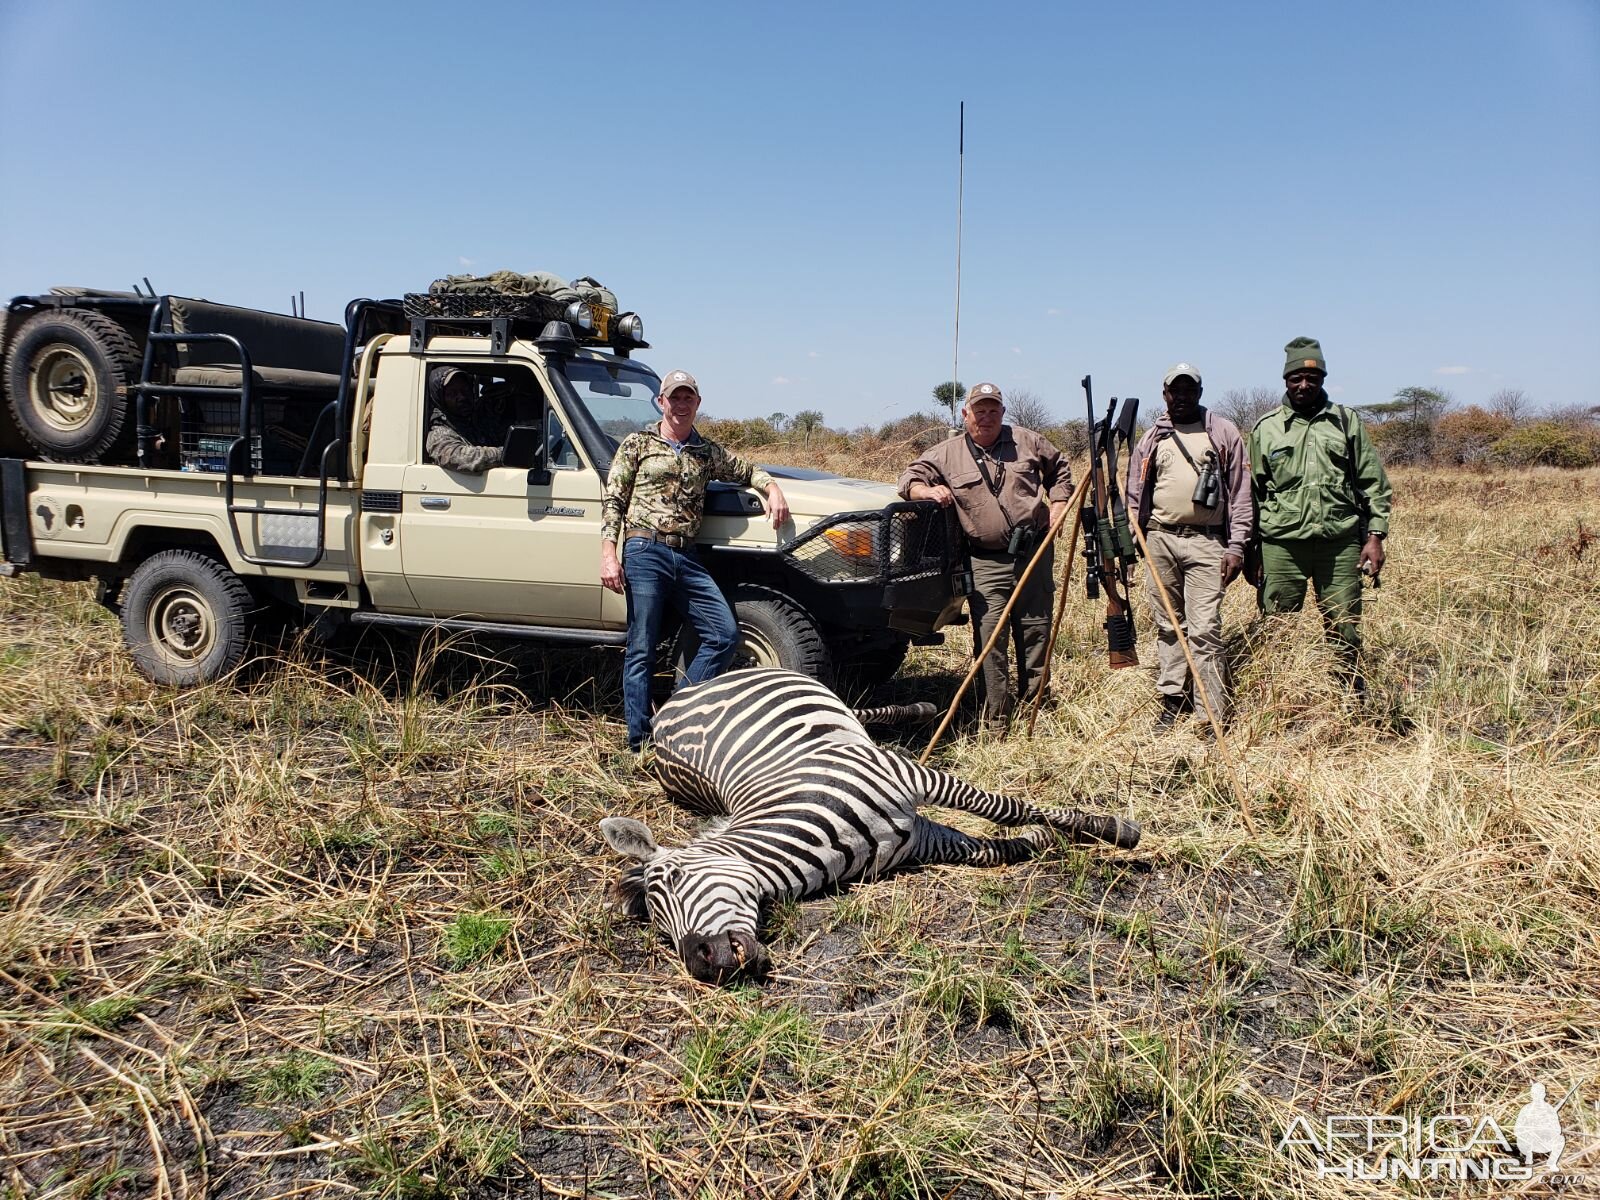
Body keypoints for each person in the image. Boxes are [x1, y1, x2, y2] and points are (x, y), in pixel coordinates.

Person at [600, 369, 790, 752]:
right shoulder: (637, 444)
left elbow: (747, 469)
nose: (680, 404)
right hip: (644, 550)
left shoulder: (707, 452)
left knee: (723, 634)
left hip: (685, 554)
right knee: (642, 646)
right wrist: (608, 554)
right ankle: (639, 742)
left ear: (698, 404)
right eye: (674, 397)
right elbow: (614, 501)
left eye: (688, 398)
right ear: (661, 401)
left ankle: (674, 716)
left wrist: (772, 489)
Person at [898, 382, 1071, 726]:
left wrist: (1060, 503)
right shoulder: (946, 452)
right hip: (984, 560)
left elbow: (1060, 469)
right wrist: (927, 491)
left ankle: (1039, 712)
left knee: (1036, 631)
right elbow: (908, 479)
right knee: (990, 638)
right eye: (979, 411)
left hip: (1033, 554)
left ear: (1003, 413)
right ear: (966, 415)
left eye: (993, 410)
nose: (986, 417)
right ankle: (996, 720)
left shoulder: (1029, 441)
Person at [1247, 338, 1392, 695]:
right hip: (1282, 546)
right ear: (1285, 380)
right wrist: (1252, 551)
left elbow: (1373, 481)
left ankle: (1349, 699)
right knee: (1277, 629)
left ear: (1323, 380)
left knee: (1345, 626)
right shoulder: (1266, 428)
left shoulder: (1345, 422)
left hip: (1339, 545)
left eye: (1312, 378)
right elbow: (1250, 494)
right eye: (1296, 378)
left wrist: (1374, 537)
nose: (1304, 385)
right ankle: (1276, 700)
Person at [1125, 363, 1252, 733]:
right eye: (1174, 391)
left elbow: (1242, 495)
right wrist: (1133, 544)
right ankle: (1173, 699)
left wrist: (1237, 547)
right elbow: (1135, 495)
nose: (1181, 397)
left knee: (1205, 629)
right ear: (1164, 394)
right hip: (1159, 539)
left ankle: (1211, 711)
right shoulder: (1152, 438)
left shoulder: (1223, 432)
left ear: (1199, 391)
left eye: (1188, 390)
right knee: (1167, 625)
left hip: (1208, 543)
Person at [424, 366, 508, 473]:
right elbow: (463, 458)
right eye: (452, 394)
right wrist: (505, 453)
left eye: (465, 390)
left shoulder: (477, 421)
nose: (462, 397)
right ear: (441, 400)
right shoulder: (439, 434)